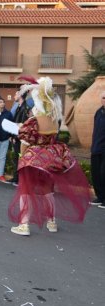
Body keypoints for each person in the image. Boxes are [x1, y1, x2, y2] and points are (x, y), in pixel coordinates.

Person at [9, 77, 91, 236]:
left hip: (32, 160)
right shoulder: (54, 120)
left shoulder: (33, 121)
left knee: (26, 190)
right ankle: (51, 222)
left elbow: (25, 142)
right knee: (48, 190)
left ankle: (24, 225)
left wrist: (21, 156)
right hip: (49, 159)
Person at [8, 90, 32, 185]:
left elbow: (23, 126)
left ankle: (19, 179)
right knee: (16, 158)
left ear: (21, 95)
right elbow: (15, 123)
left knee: (20, 158)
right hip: (16, 138)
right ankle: (15, 177)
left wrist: (16, 137)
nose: (14, 96)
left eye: (16, 94)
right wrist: (11, 136)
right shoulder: (19, 107)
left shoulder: (25, 108)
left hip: (21, 140)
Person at [90, 90, 105, 208]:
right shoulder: (98, 112)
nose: (104, 100)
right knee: (95, 174)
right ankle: (99, 197)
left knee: (103, 173)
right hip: (96, 147)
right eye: (103, 98)